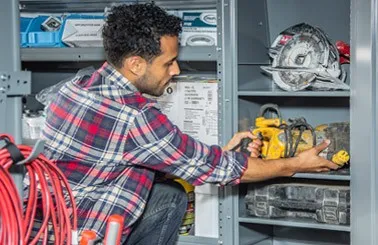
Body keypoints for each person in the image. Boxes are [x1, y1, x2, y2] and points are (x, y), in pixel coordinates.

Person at [40, 3, 340, 244]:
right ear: (135, 64)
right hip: (82, 232)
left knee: (166, 193)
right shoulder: (135, 116)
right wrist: (296, 164)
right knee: (173, 196)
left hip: (46, 222)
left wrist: (219, 154)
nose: (177, 69)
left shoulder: (77, 86)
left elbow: (120, 157)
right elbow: (214, 168)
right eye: (168, 62)